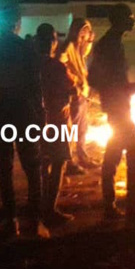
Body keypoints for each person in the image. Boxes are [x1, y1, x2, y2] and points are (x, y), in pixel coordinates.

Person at [0, 4, 45, 237]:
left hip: (1, 111)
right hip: (24, 111)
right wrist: (41, 114)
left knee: (5, 168)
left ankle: (11, 221)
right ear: (17, 23)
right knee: (32, 166)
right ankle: (34, 221)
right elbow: (35, 85)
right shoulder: (25, 48)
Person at [89, 3, 135, 228]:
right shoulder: (109, 45)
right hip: (118, 107)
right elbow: (96, 79)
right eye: (130, 16)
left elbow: (102, 79)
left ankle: (110, 206)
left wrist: (128, 87)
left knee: (113, 155)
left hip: (117, 105)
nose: (133, 20)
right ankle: (132, 210)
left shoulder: (111, 43)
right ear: (119, 19)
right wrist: (128, 88)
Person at [36, 24, 76, 228]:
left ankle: (39, 205)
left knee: (42, 163)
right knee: (59, 161)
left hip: (36, 121)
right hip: (57, 121)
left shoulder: (31, 65)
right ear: (51, 42)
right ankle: (49, 209)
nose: (55, 42)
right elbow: (70, 89)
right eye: (54, 38)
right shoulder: (57, 67)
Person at [58, 18, 96, 170]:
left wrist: (90, 39)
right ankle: (69, 162)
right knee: (72, 130)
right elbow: (60, 65)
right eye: (83, 31)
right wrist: (73, 80)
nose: (85, 34)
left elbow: (86, 52)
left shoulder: (80, 47)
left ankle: (82, 156)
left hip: (83, 95)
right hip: (74, 95)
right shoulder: (68, 46)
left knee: (82, 129)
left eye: (87, 31)